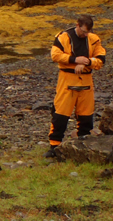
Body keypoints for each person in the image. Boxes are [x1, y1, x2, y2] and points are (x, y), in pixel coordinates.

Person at [45, 15, 106, 158]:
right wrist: (74, 60)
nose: (85, 35)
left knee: (86, 116)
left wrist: (86, 62)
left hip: (86, 81)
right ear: (77, 25)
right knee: (60, 114)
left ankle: (84, 144)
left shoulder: (93, 39)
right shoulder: (63, 37)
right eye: (83, 31)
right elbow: (55, 55)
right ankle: (54, 146)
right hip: (67, 80)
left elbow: (101, 59)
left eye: (87, 32)